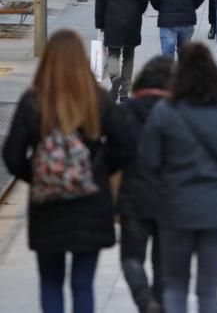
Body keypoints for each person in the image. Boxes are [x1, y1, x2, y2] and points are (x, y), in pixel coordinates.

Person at [2, 30, 132, 313]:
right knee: (82, 283)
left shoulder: (33, 101)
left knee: (50, 283)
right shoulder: (97, 99)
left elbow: (11, 155)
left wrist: (38, 175)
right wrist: (97, 169)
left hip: (48, 204)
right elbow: (125, 146)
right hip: (91, 201)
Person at [140, 43, 217, 313]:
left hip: (175, 207)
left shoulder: (165, 112)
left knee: (175, 284)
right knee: (208, 288)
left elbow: (148, 162)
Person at [117, 55, 174, 313]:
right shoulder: (178, 113)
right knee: (163, 262)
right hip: (170, 198)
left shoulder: (125, 111)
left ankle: (144, 299)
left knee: (131, 257)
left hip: (134, 197)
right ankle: (159, 303)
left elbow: (112, 155)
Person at [95, 0, 149, 103]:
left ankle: (114, 77)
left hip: (111, 15)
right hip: (132, 16)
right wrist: (139, 11)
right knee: (129, 54)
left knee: (113, 52)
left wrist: (99, 21)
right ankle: (125, 91)